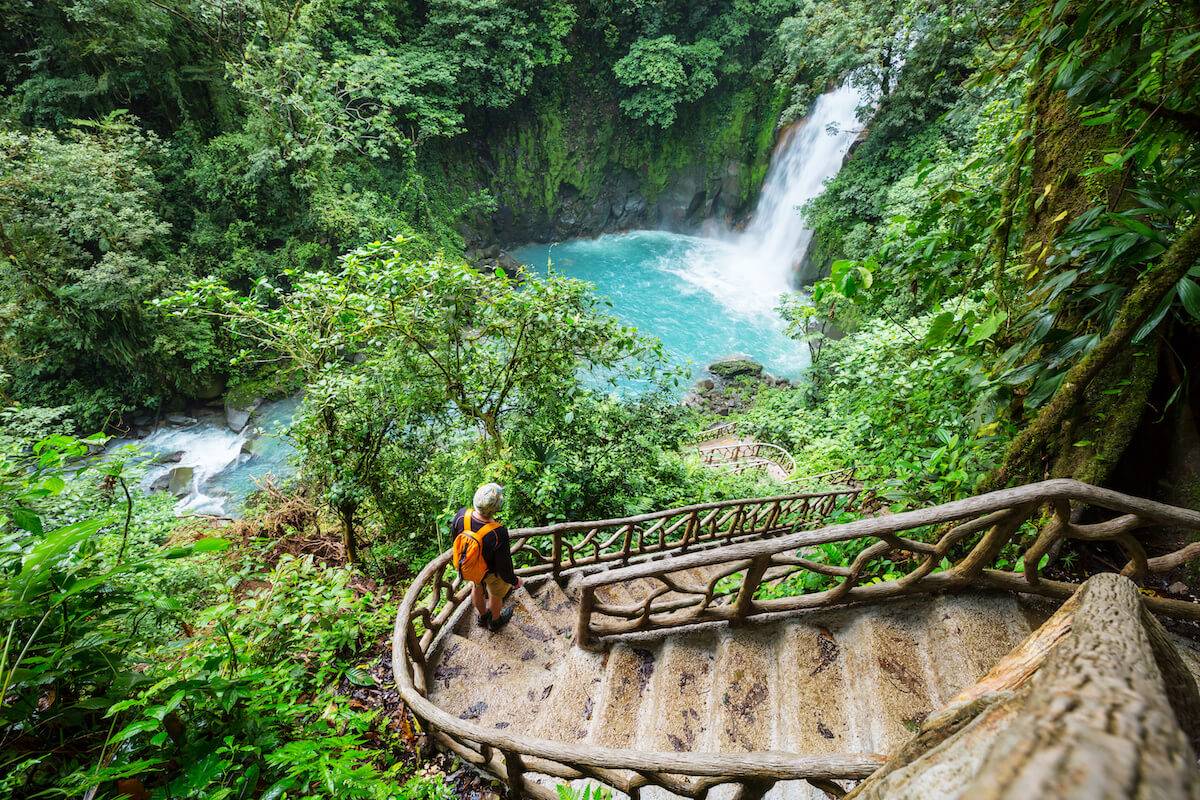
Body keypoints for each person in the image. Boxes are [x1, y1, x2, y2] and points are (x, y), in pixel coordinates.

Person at [451, 483, 522, 632]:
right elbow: (504, 565)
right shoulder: (498, 532)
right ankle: (494, 621)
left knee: (476, 587)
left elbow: (455, 542)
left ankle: (483, 617)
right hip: (491, 573)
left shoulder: (461, 516)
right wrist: (514, 580)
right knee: (495, 595)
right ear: (497, 507)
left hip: (471, 567)